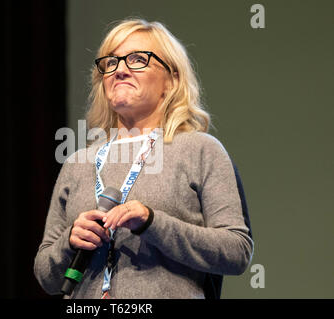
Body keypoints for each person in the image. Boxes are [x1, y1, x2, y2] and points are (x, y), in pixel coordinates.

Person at [34, 18, 253, 299]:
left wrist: (152, 222)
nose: (120, 70)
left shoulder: (200, 150)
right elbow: (46, 276)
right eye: (111, 62)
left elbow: (237, 251)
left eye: (137, 59)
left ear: (171, 79)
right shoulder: (78, 162)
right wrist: (69, 241)